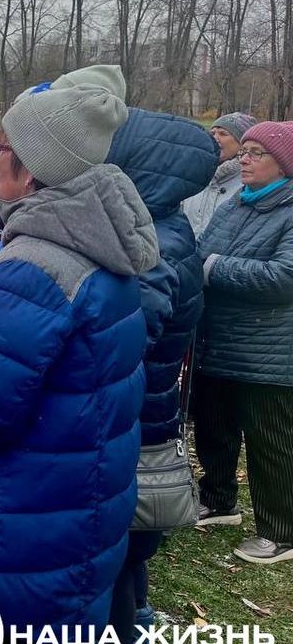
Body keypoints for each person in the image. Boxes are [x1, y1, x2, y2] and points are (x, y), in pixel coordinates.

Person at [0, 83, 158, 627]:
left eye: (0, 148)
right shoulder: (99, 244)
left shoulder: (35, 270)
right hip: (76, 502)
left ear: (31, 171)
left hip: (23, 518)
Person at [98, 94, 218, 635]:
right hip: (144, 410)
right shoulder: (158, 227)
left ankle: (125, 623)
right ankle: (139, 612)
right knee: (125, 547)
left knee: (115, 550)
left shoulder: (151, 247)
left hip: (134, 418)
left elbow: (121, 344)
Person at [194, 121, 293, 565]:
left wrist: (213, 267)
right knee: (214, 425)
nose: (244, 159)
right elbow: (201, 250)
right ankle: (218, 501)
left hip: (267, 352)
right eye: (245, 151)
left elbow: (284, 277)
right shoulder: (236, 203)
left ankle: (281, 532)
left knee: (270, 440)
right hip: (217, 340)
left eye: (256, 153)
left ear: (285, 166)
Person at [182, 113, 257, 238]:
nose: (215, 138)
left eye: (223, 134)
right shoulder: (193, 175)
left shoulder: (250, 182)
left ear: (242, 144)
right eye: (212, 133)